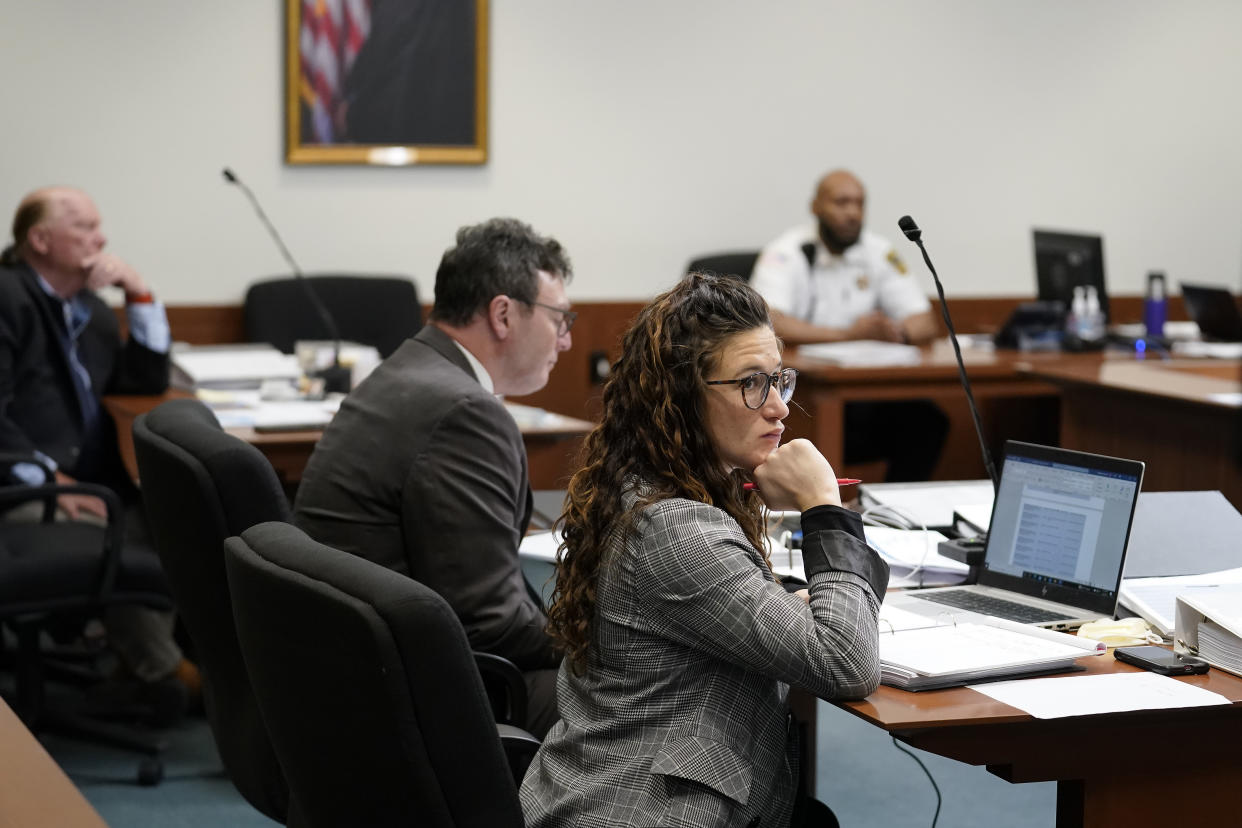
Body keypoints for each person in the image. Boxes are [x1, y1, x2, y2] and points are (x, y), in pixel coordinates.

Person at [520, 273, 888, 828]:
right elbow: (847, 663)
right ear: (682, 395)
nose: (779, 409)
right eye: (750, 384)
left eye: (778, 381)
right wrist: (823, 506)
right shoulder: (675, 529)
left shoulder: (651, 486)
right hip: (643, 811)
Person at [293, 217, 573, 738]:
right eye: (560, 319)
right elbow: (490, 624)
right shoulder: (464, 412)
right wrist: (596, 637)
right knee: (654, 694)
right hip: (418, 699)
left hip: (351, 672)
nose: (567, 341)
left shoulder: (410, 369)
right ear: (504, 315)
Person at [0, 187, 198, 720]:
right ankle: (163, 672)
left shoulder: (89, 309)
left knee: (182, 517)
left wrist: (139, 293)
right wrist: (51, 481)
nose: (101, 237)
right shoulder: (8, 297)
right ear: (39, 240)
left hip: (89, 478)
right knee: (108, 530)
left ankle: (149, 669)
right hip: (19, 486)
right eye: (84, 227)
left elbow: (144, 379)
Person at [750, 169, 947, 481]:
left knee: (926, 421)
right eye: (841, 203)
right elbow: (767, 323)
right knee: (819, 416)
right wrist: (848, 335)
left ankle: (894, 516)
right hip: (801, 394)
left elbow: (924, 321)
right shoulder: (786, 252)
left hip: (865, 391)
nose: (852, 213)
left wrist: (894, 333)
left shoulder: (879, 252)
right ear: (816, 207)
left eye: (859, 204)